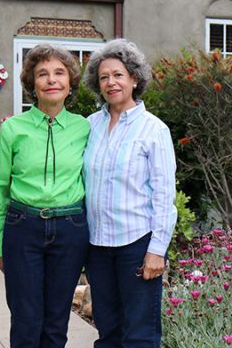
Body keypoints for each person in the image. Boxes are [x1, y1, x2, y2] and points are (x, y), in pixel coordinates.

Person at [0, 44, 90, 348]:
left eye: (59, 72)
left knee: (57, 318)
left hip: (70, 229)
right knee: (26, 318)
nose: (51, 79)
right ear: (32, 83)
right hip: (24, 228)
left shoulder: (84, 128)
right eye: (42, 74)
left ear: (70, 82)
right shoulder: (12, 129)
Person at [82, 39, 177, 348]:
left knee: (140, 334)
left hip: (136, 245)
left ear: (134, 78)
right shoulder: (89, 126)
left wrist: (156, 251)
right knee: (108, 331)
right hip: (97, 246)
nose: (111, 82)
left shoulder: (154, 130)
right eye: (104, 76)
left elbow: (164, 197)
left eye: (118, 75)